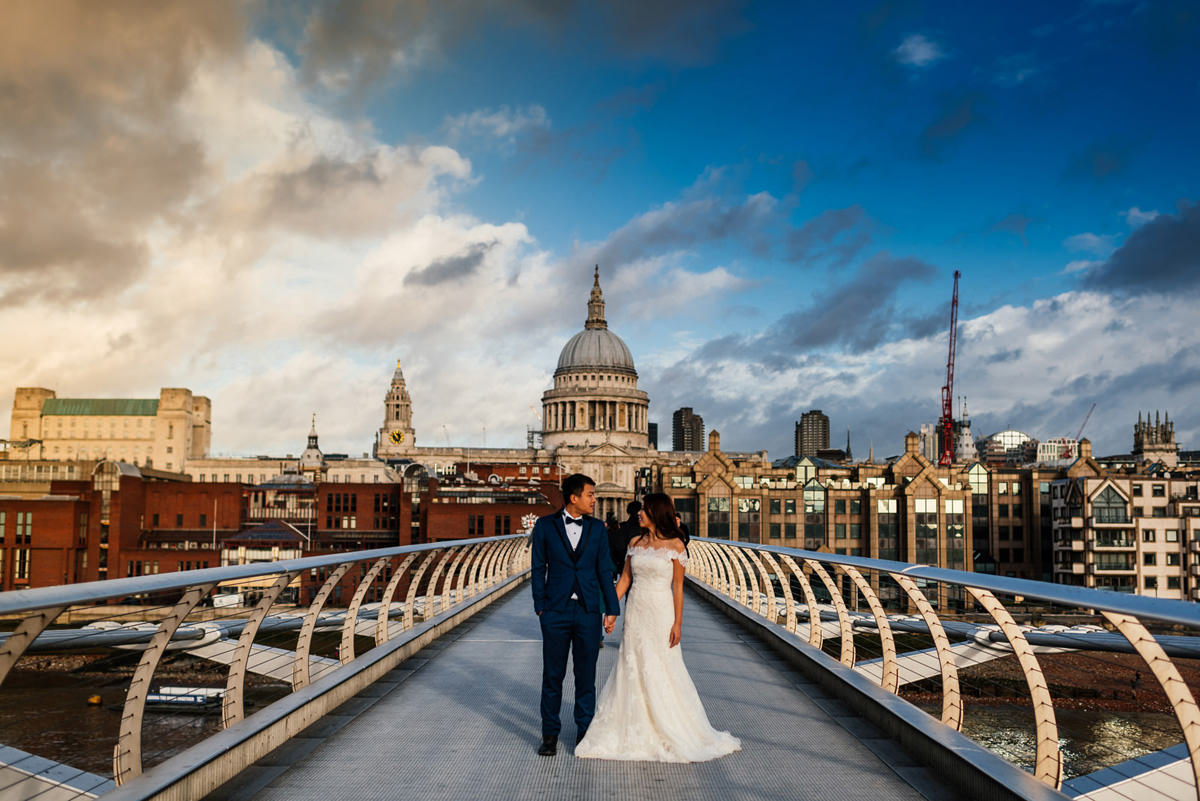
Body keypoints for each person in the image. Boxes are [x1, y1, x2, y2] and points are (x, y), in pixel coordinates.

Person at [576, 493, 740, 762]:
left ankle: (669, 725)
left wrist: (678, 623)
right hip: (636, 612)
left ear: (655, 513)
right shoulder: (634, 543)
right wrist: (609, 609)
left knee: (663, 666)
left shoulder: (676, 546)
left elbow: (677, 587)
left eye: (643, 510)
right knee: (632, 664)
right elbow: (625, 579)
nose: (638, 513)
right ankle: (631, 724)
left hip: (661, 614)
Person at [530, 473, 620, 756]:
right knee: (552, 676)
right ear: (574, 497)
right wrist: (540, 606)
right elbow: (537, 568)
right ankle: (550, 735)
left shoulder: (597, 528)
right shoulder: (545, 526)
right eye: (590, 494)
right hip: (554, 610)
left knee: (586, 676)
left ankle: (584, 732)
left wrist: (611, 609)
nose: (595, 499)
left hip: (588, 610)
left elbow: (604, 570)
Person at [613, 500, 642, 572]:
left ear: (628, 512)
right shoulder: (643, 529)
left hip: (624, 567)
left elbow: (618, 550)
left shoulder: (622, 528)